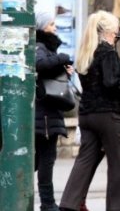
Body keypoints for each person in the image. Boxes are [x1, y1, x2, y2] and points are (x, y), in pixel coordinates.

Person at [59, 10, 120, 211]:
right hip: (108, 114)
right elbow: (111, 82)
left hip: (86, 114)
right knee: (116, 163)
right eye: (115, 34)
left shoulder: (86, 52)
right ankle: (118, 207)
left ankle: (69, 203)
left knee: (85, 159)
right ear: (107, 33)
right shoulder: (107, 52)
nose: (116, 38)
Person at [34, 11, 74, 211]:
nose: (55, 27)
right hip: (45, 116)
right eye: (51, 24)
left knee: (37, 161)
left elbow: (47, 73)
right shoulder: (40, 47)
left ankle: (47, 202)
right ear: (42, 27)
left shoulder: (46, 48)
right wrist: (62, 59)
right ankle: (48, 204)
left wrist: (63, 69)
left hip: (47, 115)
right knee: (46, 161)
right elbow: (39, 65)